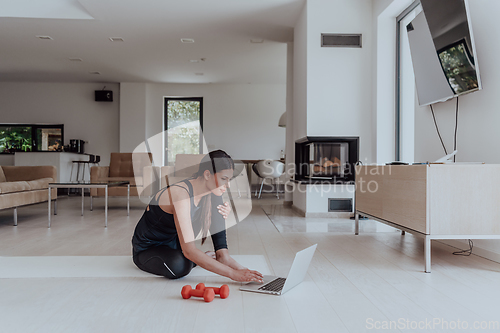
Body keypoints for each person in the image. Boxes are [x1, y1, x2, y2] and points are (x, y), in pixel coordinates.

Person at [132, 150, 263, 283]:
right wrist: (233, 274)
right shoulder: (180, 195)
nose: (228, 185)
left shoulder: (211, 191)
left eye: (229, 179)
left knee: (216, 199)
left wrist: (245, 271)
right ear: (207, 174)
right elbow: (189, 251)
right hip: (149, 249)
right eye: (224, 179)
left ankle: (222, 255)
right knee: (180, 265)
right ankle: (196, 259)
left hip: (176, 243)